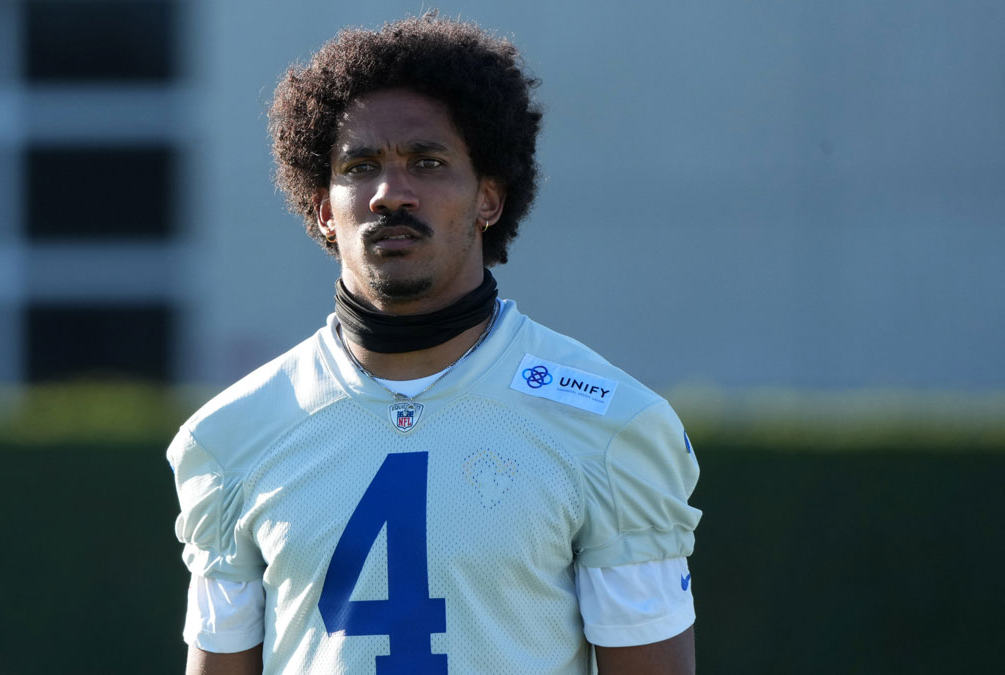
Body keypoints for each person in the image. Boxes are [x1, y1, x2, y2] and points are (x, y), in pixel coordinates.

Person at [167, 14, 701, 674]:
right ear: (323, 211)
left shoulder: (611, 427)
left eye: (428, 162)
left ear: (488, 198)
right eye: (361, 167)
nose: (392, 193)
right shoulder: (230, 438)